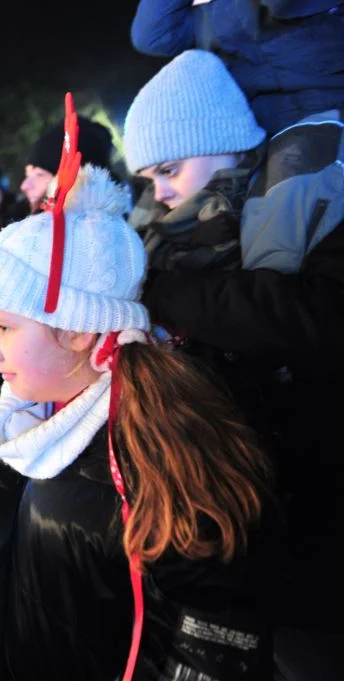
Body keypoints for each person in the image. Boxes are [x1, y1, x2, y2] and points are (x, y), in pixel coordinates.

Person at [0, 164, 276, 680]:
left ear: (78, 329)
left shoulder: (164, 458)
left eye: (3, 327)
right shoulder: (21, 429)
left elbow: (207, 651)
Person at [122, 50, 344, 679]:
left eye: (169, 168)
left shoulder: (319, 196)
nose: (160, 192)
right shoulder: (184, 243)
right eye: (149, 177)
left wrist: (158, 290)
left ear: (225, 144)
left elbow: (318, 321)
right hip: (265, 534)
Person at [130, 0, 344, 134]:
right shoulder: (211, 12)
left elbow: (282, 5)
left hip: (326, 110)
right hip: (258, 128)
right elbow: (152, 37)